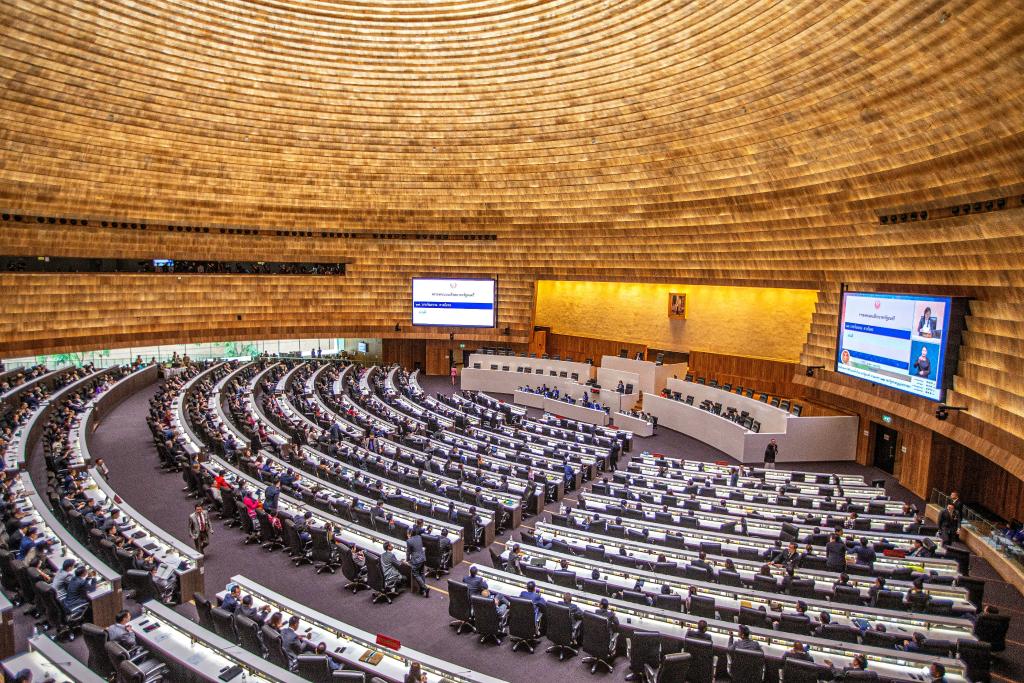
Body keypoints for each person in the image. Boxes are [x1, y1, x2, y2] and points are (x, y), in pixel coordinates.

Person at [405, 529, 429, 597]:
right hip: (422, 557)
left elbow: (408, 552)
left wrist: (407, 560)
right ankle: (422, 589)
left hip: (416, 560)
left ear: (410, 534)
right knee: (422, 573)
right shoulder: (419, 537)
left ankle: (425, 588)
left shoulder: (409, 541)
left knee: (416, 574)